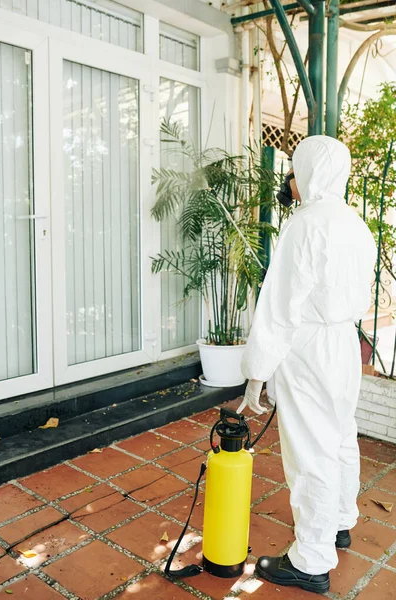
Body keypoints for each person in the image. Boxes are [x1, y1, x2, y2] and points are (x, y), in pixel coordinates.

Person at [237, 135, 377, 594]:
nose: (290, 181)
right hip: (343, 343)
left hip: (311, 347)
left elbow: (280, 308)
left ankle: (311, 560)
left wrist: (255, 375)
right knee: (338, 438)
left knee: (310, 450)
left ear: (311, 172)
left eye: (294, 171)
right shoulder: (356, 224)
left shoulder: (306, 224)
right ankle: (338, 521)